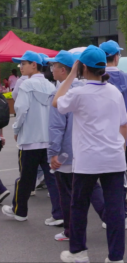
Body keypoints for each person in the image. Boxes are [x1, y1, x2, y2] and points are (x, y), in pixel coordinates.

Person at [52, 45, 127, 263]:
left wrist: (71, 76)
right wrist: (120, 149)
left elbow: (57, 102)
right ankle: (115, 257)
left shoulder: (78, 92)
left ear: (83, 67)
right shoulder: (114, 92)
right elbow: (124, 125)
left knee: (78, 206)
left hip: (87, 159)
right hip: (114, 157)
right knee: (115, 210)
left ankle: (79, 253)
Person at [47, 51, 108, 242]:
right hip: (85, 150)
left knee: (67, 193)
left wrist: (53, 152)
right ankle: (114, 216)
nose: (51, 69)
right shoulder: (86, 88)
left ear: (63, 69)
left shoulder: (61, 93)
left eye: (54, 66)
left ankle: (70, 231)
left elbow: (56, 126)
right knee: (91, 188)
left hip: (66, 151)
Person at [1, 51, 61, 225]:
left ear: (34, 64)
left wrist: (16, 128)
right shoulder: (51, 86)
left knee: (26, 178)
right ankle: (59, 213)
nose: (21, 66)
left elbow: (21, 110)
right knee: (51, 178)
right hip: (47, 139)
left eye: (24, 63)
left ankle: (20, 211)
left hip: (29, 140)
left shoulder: (26, 85)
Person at [100, 40, 127, 214]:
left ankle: (115, 211)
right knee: (122, 170)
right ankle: (122, 209)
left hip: (102, 136)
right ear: (116, 58)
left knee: (104, 177)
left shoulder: (97, 79)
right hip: (125, 134)